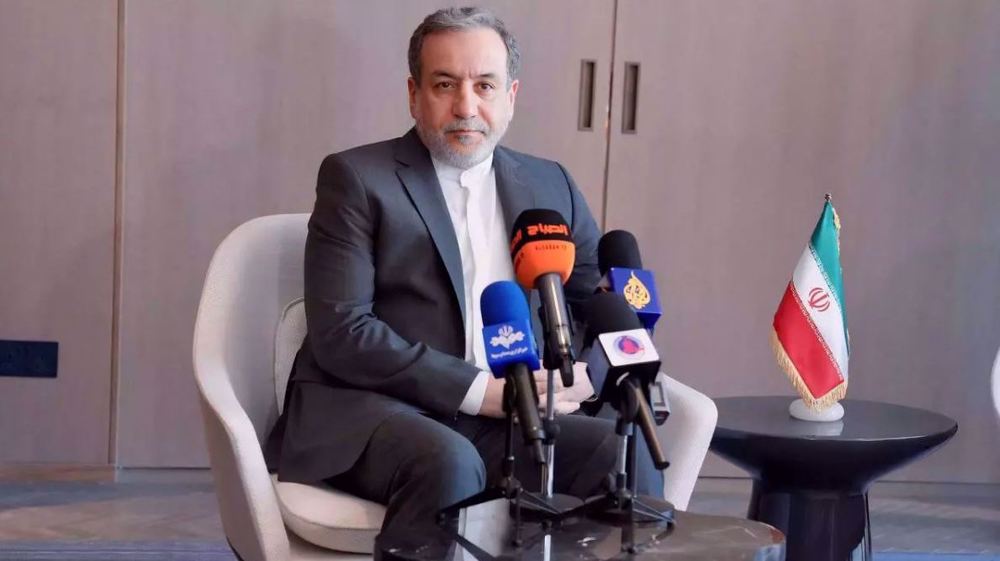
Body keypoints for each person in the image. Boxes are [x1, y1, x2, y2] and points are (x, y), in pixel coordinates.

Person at [264, 6, 662, 537]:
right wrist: (478, 390)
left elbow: (597, 302)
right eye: (445, 84)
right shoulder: (357, 179)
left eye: (485, 85)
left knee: (619, 457)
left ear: (511, 97)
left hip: (515, 412)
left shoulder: (552, 185)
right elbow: (343, 332)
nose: (466, 106)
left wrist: (583, 377)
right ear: (414, 93)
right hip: (381, 411)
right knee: (449, 462)